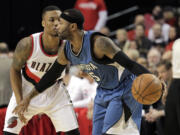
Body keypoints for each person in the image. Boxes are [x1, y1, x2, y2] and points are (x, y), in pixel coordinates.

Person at [13, 9, 164, 135]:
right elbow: (51, 75)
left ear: (72, 27)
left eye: (61, 23)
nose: (56, 26)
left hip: (124, 89)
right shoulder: (66, 50)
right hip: (103, 92)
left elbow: (130, 63)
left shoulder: (99, 43)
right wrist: (29, 97)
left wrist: (155, 81)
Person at [3, 6, 79, 135]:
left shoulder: (67, 45)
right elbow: (15, 70)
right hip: (27, 89)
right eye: (52, 20)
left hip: (55, 91)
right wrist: (19, 99)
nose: (56, 23)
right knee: (9, 133)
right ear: (43, 23)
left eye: (59, 21)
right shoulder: (28, 43)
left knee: (73, 133)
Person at [164, 38, 180, 135]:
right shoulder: (177, 42)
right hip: (175, 83)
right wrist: (168, 89)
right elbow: (174, 68)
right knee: (171, 123)